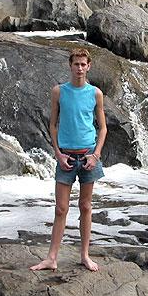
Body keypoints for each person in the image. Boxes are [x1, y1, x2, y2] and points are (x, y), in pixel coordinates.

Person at [30, 48, 107, 272]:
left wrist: (96, 155)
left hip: (88, 155)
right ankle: (51, 258)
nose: (80, 68)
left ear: (89, 66)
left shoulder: (95, 93)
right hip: (66, 157)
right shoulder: (59, 91)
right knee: (61, 208)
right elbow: (53, 125)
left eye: (83, 64)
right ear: (70, 65)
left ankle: (85, 255)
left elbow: (103, 128)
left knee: (85, 206)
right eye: (76, 64)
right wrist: (57, 153)